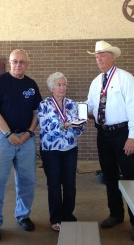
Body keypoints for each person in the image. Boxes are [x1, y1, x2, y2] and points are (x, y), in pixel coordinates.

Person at [86, 40, 134, 241]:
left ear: (112, 56)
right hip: (103, 134)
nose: (98, 58)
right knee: (110, 175)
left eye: (102, 54)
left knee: (129, 176)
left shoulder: (125, 78)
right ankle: (116, 214)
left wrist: (132, 137)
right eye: (96, 55)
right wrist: (74, 112)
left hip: (122, 134)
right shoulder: (95, 82)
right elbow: (91, 107)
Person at [0, 49, 42, 242]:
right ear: (10, 62)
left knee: (27, 181)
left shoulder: (31, 85)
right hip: (2, 140)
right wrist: (9, 134)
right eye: (15, 61)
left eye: (22, 62)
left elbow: (36, 113)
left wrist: (29, 133)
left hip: (26, 140)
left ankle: (23, 215)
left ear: (28, 63)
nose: (18, 65)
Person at [37, 72, 85, 232]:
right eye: (59, 84)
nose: (62, 87)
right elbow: (45, 127)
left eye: (64, 84)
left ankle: (68, 216)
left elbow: (80, 129)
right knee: (54, 185)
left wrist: (78, 124)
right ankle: (56, 218)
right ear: (51, 87)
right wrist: (65, 125)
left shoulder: (72, 104)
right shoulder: (44, 105)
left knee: (70, 184)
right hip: (51, 150)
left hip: (70, 149)